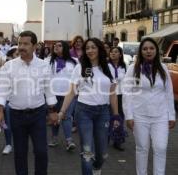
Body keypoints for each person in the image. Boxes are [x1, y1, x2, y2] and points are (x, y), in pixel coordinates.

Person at [0, 31, 58, 175]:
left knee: (41, 152)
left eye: (25, 44)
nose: (21, 47)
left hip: (38, 115)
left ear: (35, 46)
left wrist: (53, 111)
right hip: (16, 115)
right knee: (20, 153)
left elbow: (48, 89)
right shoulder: (9, 66)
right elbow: (2, 90)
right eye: (19, 43)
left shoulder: (43, 65)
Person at [57, 38, 119, 175]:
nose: (90, 50)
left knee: (102, 153)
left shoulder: (108, 68)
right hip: (84, 111)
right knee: (87, 151)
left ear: (99, 49)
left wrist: (116, 115)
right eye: (87, 48)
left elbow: (113, 93)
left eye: (93, 47)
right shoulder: (80, 67)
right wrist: (62, 111)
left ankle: (97, 168)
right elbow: (72, 91)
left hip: (103, 112)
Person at [122, 38, 176, 175]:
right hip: (140, 115)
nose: (148, 51)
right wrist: (129, 115)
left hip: (161, 115)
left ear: (156, 51)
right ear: (141, 51)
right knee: (142, 148)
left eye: (151, 48)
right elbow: (127, 93)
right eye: (145, 49)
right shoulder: (133, 69)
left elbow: (168, 92)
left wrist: (171, 115)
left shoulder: (163, 68)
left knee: (160, 148)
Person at [47, 41, 77, 151]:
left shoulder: (74, 62)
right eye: (55, 45)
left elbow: (77, 78)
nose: (56, 47)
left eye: (59, 45)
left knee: (66, 116)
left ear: (64, 48)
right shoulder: (49, 61)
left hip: (69, 95)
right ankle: (54, 138)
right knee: (55, 117)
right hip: (53, 95)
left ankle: (69, 141)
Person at [1, 46, 19, 155]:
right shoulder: (5, 68)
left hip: (20, 102)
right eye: (16, 54)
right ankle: (8, 144)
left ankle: (18, 144)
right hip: (7, 101)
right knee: (7, 124)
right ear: (11, 56)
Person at [109, 46, 127, 151]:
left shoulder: (124, 66)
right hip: (108, 95)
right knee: (108, 117)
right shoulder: (106, 65)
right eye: (111, 52)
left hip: (120, 94)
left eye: (116, 52)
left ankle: (118, 140)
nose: (113, 53)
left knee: (119, 118)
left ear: (120, 54)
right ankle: (106, 137)